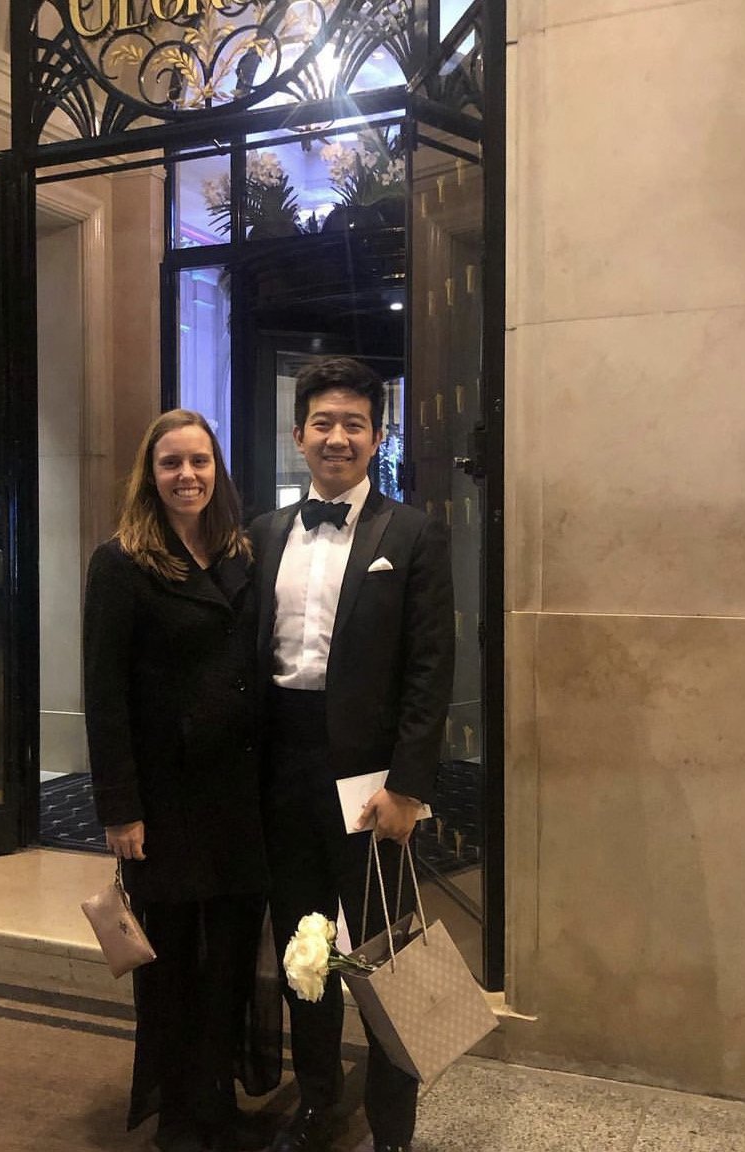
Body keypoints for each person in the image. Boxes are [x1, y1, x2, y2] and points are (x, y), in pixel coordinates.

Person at [249, 358, 455, 1152]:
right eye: (323, 423)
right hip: (282, 769)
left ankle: (395, 1126)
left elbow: (430, 669)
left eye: (355, 424)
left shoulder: (412, 533)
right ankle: (319, 1104)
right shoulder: (266, 532)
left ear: (377, 436)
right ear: (298, 434)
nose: (338, 437)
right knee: (305, 944)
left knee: (385, 951)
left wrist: (409, 787)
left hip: (371, 779)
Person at [83, 410, 278, 1152]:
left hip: (239, 797)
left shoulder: (244, 553)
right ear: (150, 474)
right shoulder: (121, 562)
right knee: (169, 966)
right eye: (171, 464)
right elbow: (105, 696)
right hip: (163, 803)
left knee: (229, 957)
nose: (187, 476)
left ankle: (219, 1102)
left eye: (199, 462)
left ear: (217, 470)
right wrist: (119, 808)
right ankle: (178, 1117)